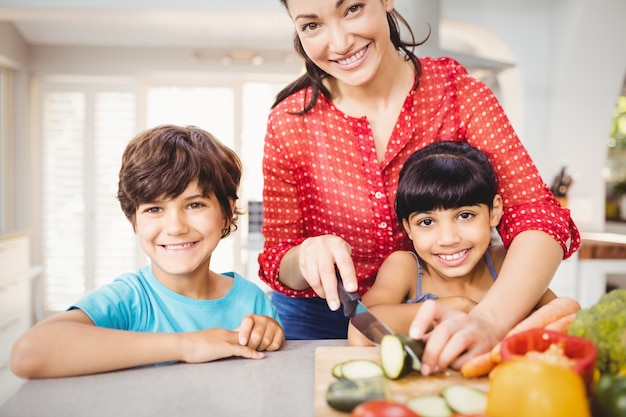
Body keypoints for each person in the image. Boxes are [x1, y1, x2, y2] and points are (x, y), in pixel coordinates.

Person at [258, 0, 579, 372]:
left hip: (458, 321)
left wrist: (490, 319)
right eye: (312, 25)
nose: (340, 42)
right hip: (317, 325)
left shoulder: (460, 95)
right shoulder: (289, 122)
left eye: (352, 9)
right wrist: (306, 254)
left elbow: (536, 215)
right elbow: (278, 256)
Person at [11, 125, 284, 379]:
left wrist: (270, 334)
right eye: (154, 209)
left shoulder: (252, 301)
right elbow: (29, 353)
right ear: (134, 220)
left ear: (227, 210)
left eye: (195, 205)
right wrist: (189, 345)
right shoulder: (129, 299)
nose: (175, 227)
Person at [347, 141, 556, 350]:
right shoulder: (405, 268)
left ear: (494, 211)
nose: (448, 239)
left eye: (465, 216)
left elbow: (563, 318)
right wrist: (459, 305)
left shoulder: (508, 262)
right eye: (426, 222)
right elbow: (360, 331)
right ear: (408, 228)